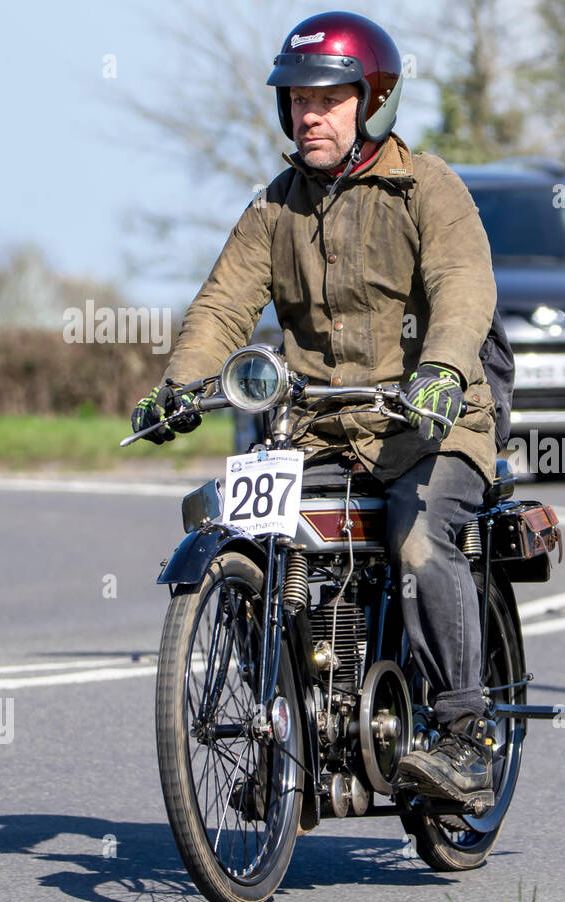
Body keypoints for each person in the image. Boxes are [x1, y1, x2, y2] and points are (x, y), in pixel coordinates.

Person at [131, 11, 501, 808]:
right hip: (320, 427)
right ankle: (285, 737)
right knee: (242, 534)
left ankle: (466, 734)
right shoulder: (275, 208)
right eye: (297, 100)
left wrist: (439, 370)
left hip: (429, 421)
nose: (308, 115)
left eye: (328, 100)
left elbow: (464, 289)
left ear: (374, 102)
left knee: (417, 537)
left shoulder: (426, 187)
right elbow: (222, 305)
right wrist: (181, 385)